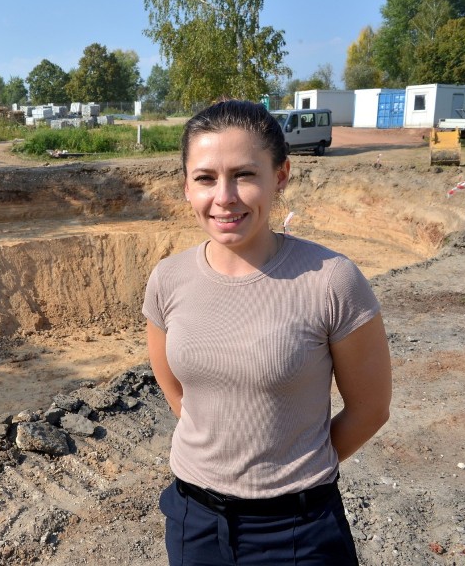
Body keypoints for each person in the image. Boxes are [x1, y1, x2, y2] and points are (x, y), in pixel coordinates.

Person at [143, 99, 392, 565]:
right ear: (185, 186)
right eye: (205, 178)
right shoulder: (168, 279)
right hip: (193, 523)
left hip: (298, 531)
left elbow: (371, 408)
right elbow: (174, 388)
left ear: (280, 176)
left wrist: (292, 465)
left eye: (244, 174)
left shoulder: (331, 280)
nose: (224, 196)